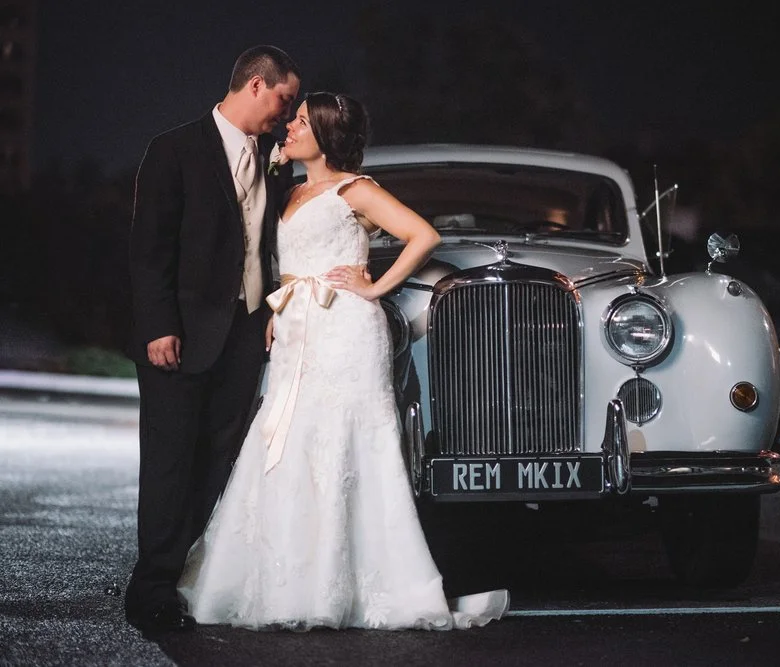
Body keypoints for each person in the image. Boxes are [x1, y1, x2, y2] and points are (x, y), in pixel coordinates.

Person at [176, 92, 509, 630]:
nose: (289, 126)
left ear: (327, 134)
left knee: (342, 441)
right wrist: (273, 309)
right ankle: (283, 577)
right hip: (294, 329)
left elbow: (424, 235)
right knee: (285, 436)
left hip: (346, 329)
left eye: (302, 121)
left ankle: (344, 582)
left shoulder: (357, 189)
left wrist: (374, 286)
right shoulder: (289, 191)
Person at [125, 45, 301, 634]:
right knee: (171, 463)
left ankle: (184, 575)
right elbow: (149, 250)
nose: (288, 111)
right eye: (284, 99)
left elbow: (273, 246)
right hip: (179, 335)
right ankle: (150, 589)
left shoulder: (277, 161)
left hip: (246, 334)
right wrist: (158, 326)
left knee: (219, 462)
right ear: (256, 85)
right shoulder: (173, 150)